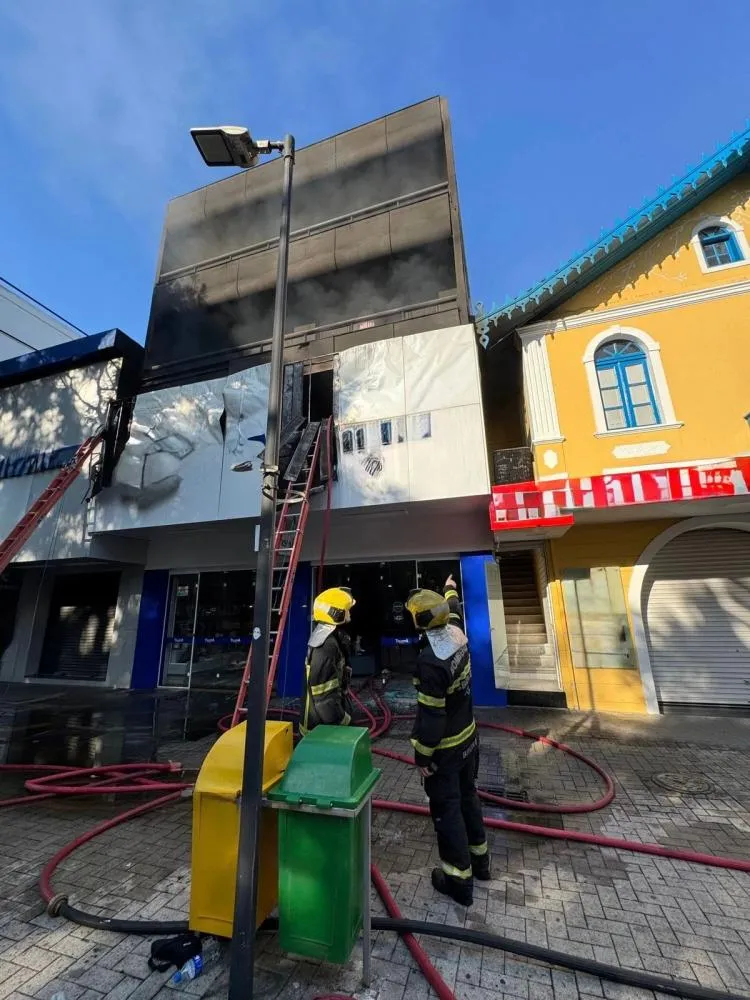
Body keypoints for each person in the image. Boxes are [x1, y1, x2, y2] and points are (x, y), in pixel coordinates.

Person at [405, 575, 490, 906]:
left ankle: (458, 881)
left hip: (446, 750)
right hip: (470, 740)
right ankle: (481, 862)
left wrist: (423, 757)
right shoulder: (456, 633)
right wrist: (450, 587)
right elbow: (452, 608)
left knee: (447, 810)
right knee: (469, 797)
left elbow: (432, 717)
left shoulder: (430, 662)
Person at [300, 587, 356, 735]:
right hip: (320, 731)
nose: (349, 613)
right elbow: (323, 699)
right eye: (347, 610)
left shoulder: (330, 638)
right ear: (335, 613)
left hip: (324, 723)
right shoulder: (326, 646)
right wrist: (345, 723)